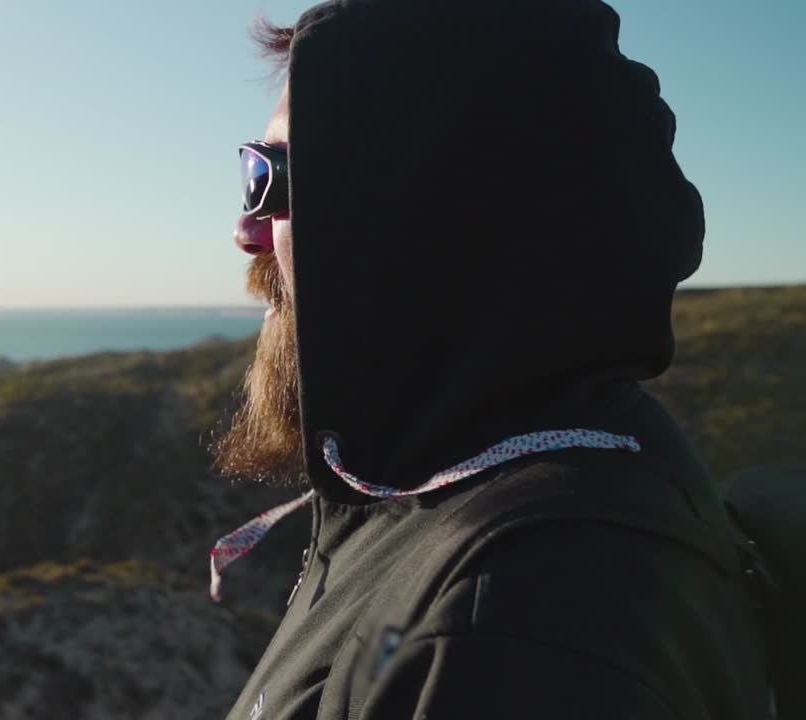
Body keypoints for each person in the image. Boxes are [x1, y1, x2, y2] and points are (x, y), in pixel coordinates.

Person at [208, 0, 773, 718]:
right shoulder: (440, 476)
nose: (245, 229)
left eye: (271, 173)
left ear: (419, 203)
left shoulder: (516, 628)